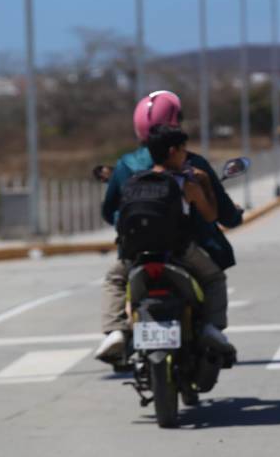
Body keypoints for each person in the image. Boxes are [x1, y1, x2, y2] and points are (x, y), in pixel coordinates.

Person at [95, 91, 243, 362]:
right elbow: (219, 215)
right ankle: (212, 327)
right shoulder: (191, 169)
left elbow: (109, 211)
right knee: (213, 279)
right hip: (182, 248)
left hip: (136, 250)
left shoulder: (126, 165)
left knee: (115, 279)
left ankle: (114, 332)